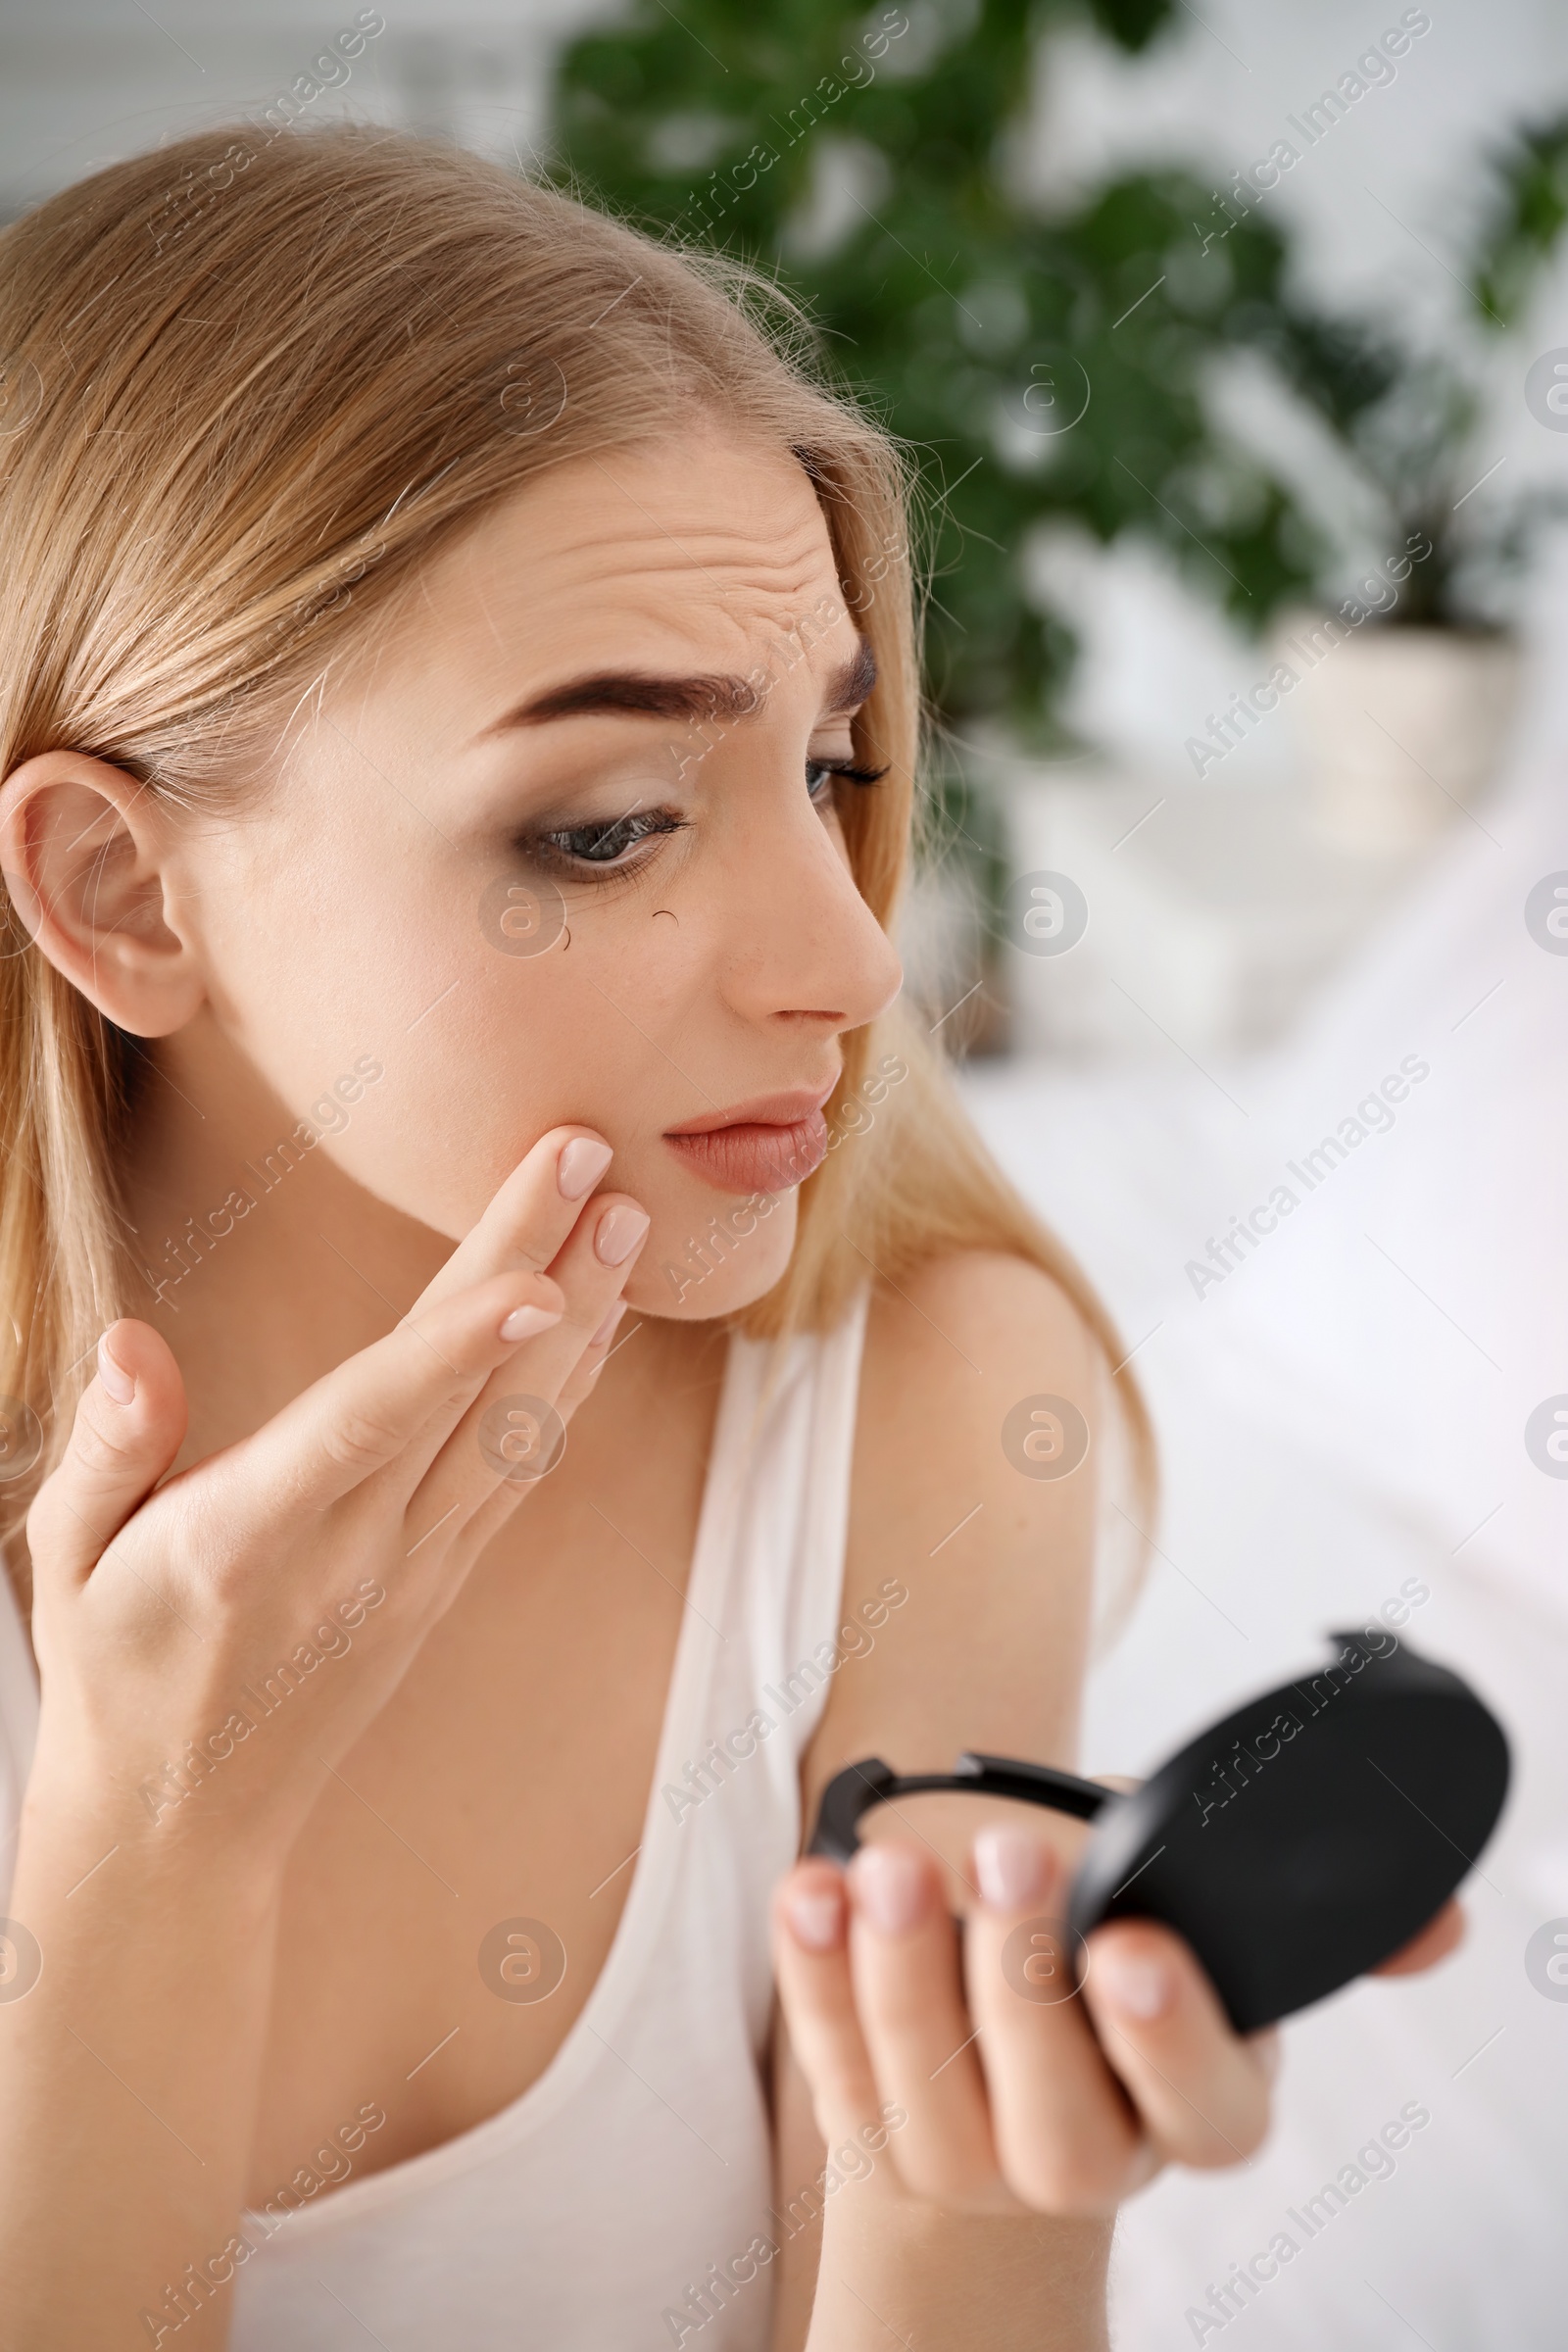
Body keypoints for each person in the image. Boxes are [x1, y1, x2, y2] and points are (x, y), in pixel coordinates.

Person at [0, 124, 1456, 2352]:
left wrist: (984, 2187)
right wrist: (143, 1863)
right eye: (603, 829)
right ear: (121, 895)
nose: (850, 966)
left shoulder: (926, 1415)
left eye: (833, 769)